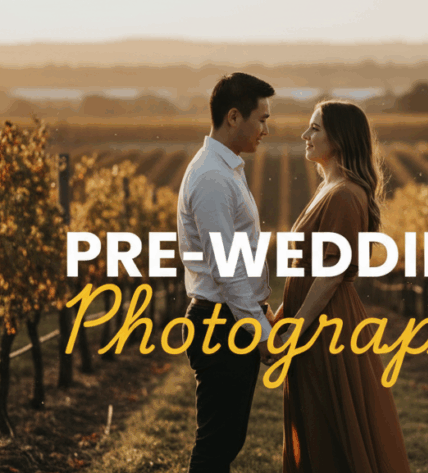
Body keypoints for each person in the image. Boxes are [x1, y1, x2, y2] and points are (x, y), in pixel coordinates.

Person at [272, 101, 411, 472]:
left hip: (326, 322)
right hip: (313, 316)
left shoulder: (346, 194)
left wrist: (296, 328)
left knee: (330, 423)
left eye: (315, 128)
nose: (306, 135)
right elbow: (310, 269)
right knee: (315, 418)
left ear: (340, 138)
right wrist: (281, 321)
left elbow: (332, 271)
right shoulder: (329, 188)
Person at [176, 72, 284, 473]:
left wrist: (261, 309)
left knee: (226, 440)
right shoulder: (212, 178)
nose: (266, 130)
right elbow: (228, 268)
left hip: (227, 320)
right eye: (262, 119)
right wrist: (260, 333)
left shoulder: (224, 170)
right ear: (234, 117)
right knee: (216, 445)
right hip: (220, 325)